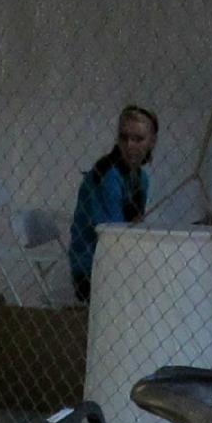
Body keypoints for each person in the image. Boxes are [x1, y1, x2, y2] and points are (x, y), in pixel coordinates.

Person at [68, 105, 157, 302]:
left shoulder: (141, 179)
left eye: (138, 139)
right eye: (124, 138)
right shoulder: (108, 175)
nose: (130, 145)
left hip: (116, 260)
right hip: (92, 266)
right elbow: (113, 234)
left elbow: (133, 226)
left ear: (152, 141)